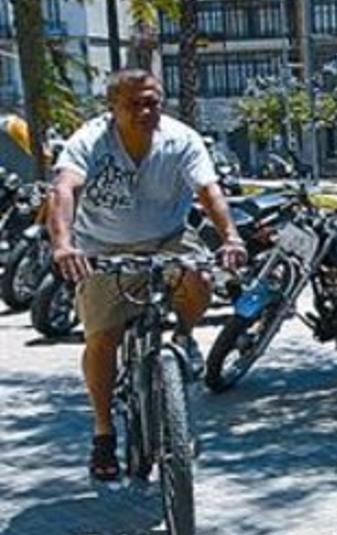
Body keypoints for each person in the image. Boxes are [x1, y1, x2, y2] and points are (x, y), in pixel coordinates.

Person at [45, 69, 246, 481]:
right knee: (102, 340)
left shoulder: (180, 138)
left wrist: (231, 237)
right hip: (103, 247)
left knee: (199, 276)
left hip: (166, 239)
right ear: (112, 108)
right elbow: (64, 190)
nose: (144, 110)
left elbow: (209, 191)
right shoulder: (90, 140)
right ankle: (103, 433)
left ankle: (185, 336)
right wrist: (64, 245)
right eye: (133, 104)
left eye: (152, 101)